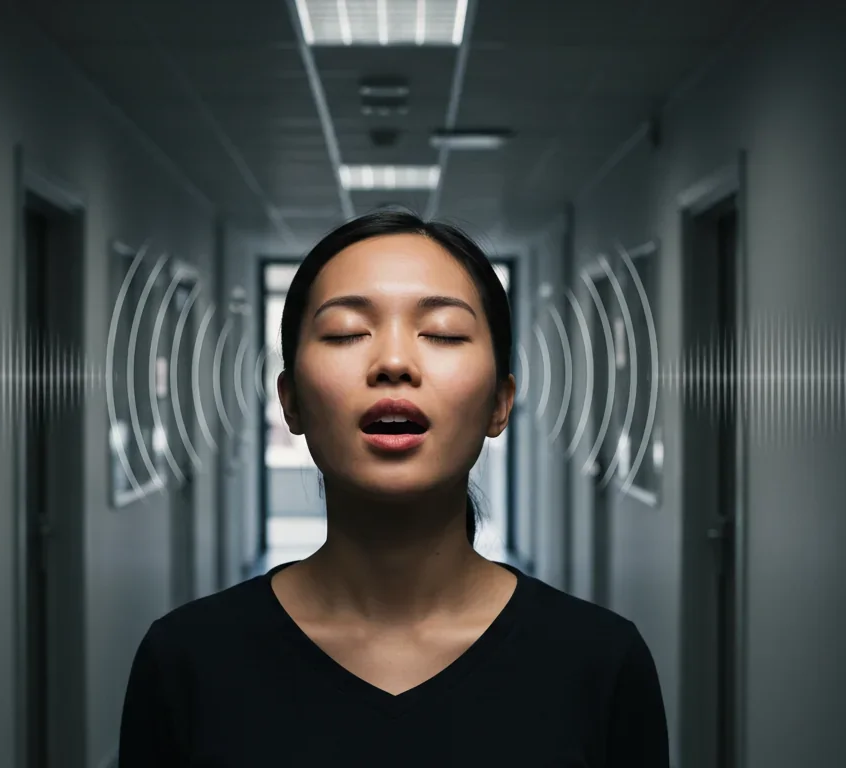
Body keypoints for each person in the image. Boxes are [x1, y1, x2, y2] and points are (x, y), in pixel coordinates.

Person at [117, 210, 669, 766]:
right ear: (291, 402)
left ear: (500, 403)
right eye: (346, 333)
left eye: (444, 334)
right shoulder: (186, 660)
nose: (395, 362)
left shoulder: (599, 662)